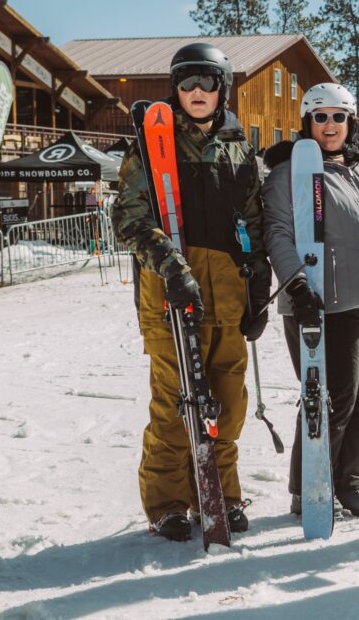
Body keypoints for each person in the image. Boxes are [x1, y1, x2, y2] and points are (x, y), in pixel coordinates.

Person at [112, 42, 271, 542]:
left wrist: (257, 284)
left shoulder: (239, 144)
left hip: (226, 289)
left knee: (228, 400)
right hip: (169, 290)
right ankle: (167, 502)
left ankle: (221, 493)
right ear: (174, 90)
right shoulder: (150, 145)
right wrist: (171, 267)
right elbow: (129, 218)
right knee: (176, 400)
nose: (197, 92)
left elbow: (252, 217)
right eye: (187, 83)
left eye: (206, 82)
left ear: (222, 88)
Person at [262, 83, 359, 518]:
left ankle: (350, 481)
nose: (330, 125)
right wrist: (296, 284)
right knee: (331, 399)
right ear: (307, 122)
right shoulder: (290, 172)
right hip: (323, 303)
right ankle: (309, 484)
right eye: (320, 117)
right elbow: (278, 233)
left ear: (351, 122)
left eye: (338, 117)